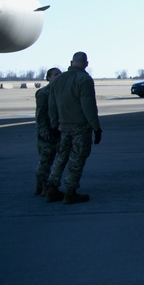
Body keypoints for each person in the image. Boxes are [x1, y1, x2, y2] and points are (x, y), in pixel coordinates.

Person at [44, 52, 102, 204]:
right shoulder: (84, 79)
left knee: (61, 156)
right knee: (77, 158)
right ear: (86, 64)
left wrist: (55, 123)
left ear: (71, 62)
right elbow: (88, 106)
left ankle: (51, 188)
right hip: (80, 127)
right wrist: (96, 127)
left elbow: (52, 105)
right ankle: (70, 191)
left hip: (63, 126)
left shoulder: (58, 80)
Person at [33, 67, 63, 195]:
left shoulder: (61, 92)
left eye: (59, 75)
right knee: (45, 160)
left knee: (55, 160)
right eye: (55, 75)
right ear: (48, 78)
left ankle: (42, 186)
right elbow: (40, 114)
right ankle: (43, 185)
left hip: (58, 130)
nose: (58, 77)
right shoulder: (43, 93)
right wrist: (43, 130)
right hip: (47, 131)